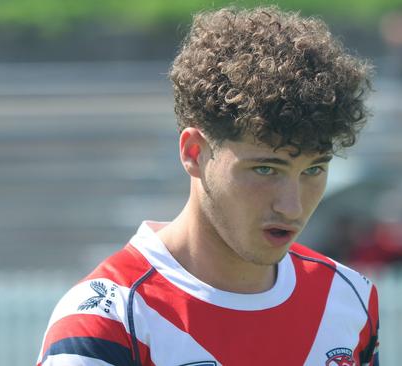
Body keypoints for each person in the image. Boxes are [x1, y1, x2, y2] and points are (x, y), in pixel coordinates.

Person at [37, 6, 379, 366]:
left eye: (313, 170)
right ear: (194, 152)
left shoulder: (349, 298)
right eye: (265, 169)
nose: (291, 206)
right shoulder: (110, 318)